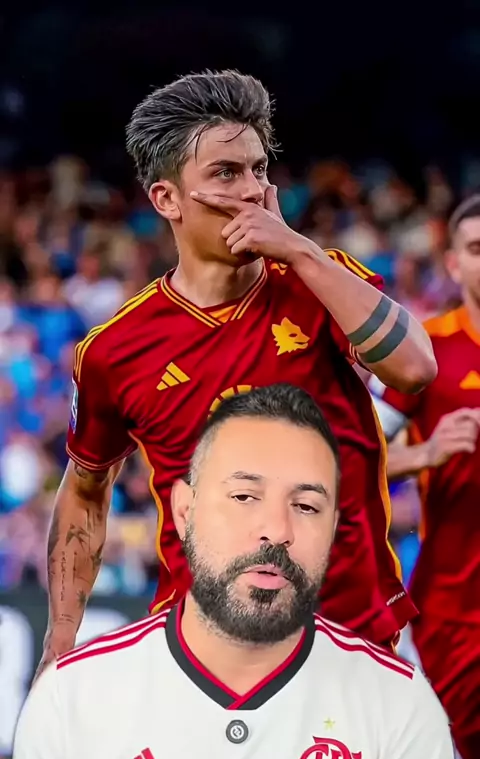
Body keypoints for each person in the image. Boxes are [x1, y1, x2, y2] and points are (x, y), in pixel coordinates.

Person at [39, 69, 437, 678]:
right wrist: (60, 641)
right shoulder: (114, 350)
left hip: (348, 642)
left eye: (258, 170)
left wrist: (298, 249)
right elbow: (85, 490)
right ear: (167, 199)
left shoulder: (319, 280)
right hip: (200, 653)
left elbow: (414, 367)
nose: (251, 190)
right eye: (225, 173)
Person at [0, 385, 461, 759]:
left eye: (306, 506)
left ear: (334, 529)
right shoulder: (72, 700)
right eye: (244, 496)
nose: (275, 530)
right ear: (184, 512)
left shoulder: (400, 707)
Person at [371, 194, 480, 759]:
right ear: (453, 263)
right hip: (459, 603)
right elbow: (355, 457)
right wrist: (428, 452)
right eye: (477, 249)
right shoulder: (426, 351)